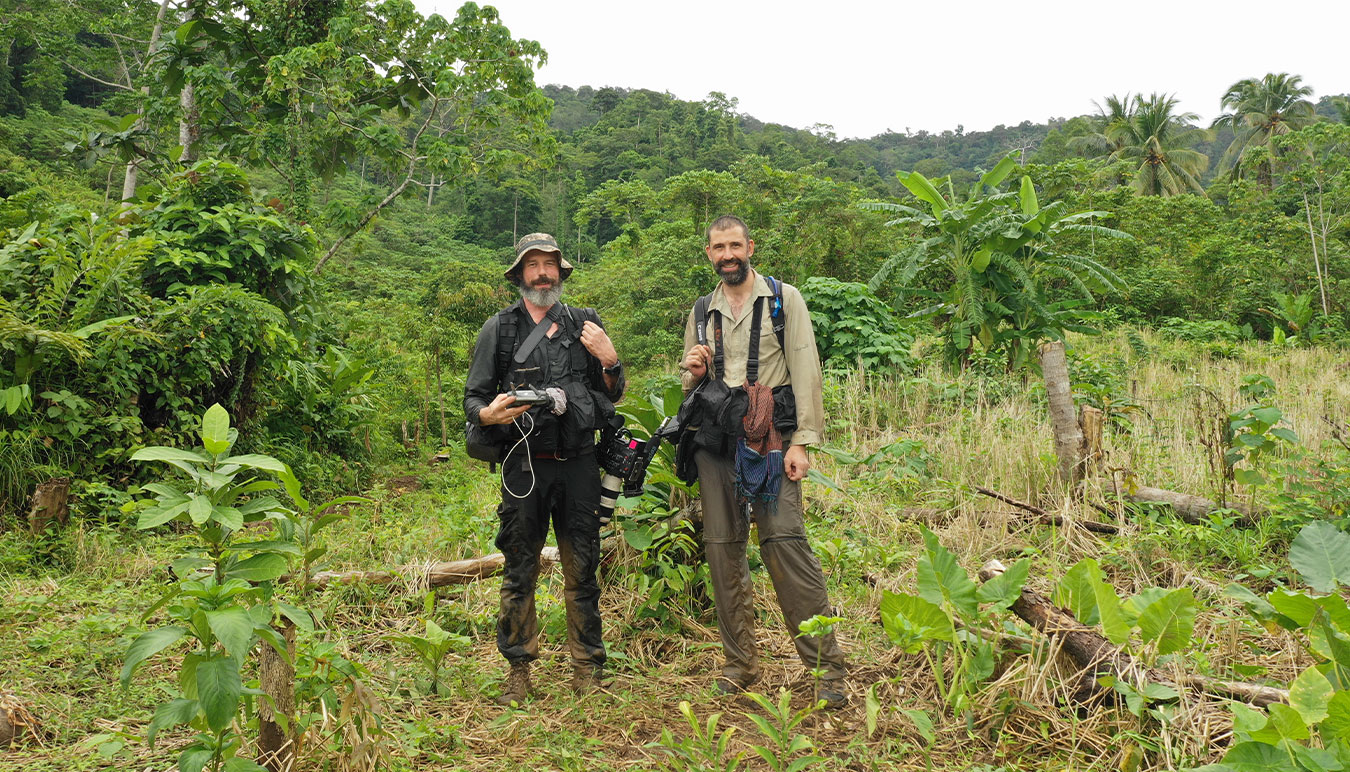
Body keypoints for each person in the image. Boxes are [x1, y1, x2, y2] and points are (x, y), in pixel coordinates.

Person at [679, 215, 848, 708]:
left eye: (735, 245)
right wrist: (691, 369)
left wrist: (803, 442)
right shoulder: (700, 309)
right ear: (708, 253)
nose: (728, 254)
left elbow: (805, 367)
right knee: (721, 547)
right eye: (718, 248)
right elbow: (691, 382)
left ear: (749, 246)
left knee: (785, 544)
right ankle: (740, 663)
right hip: (716, 441)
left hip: (772, 440)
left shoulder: (782, 299)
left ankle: (826, 670)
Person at [464, 233, 625, 705]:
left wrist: (610, 358)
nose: (542, 273)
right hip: (523, 466)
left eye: (549, 264)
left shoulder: (586, 324)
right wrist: (487, 415)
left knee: (583, 568)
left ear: (561, 272)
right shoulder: (500, 329)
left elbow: (611, 394)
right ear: (519, 275)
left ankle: (587, 667)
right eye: (532, 265)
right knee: (519, 569)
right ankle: (518, 669)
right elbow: (473, 399)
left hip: (578, 464)